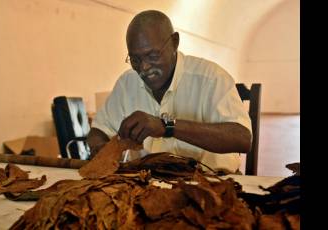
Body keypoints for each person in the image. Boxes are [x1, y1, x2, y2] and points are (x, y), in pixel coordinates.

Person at [87, 10, 252, 174]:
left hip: (211, 183)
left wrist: (167, 127)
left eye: (153, 55)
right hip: (144, 186)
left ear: (174, 42)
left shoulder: (211, 78)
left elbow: (242, 139)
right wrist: (101, 149)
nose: (144, 67)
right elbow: (98, 131)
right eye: (135, 59)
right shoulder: (127, 83)